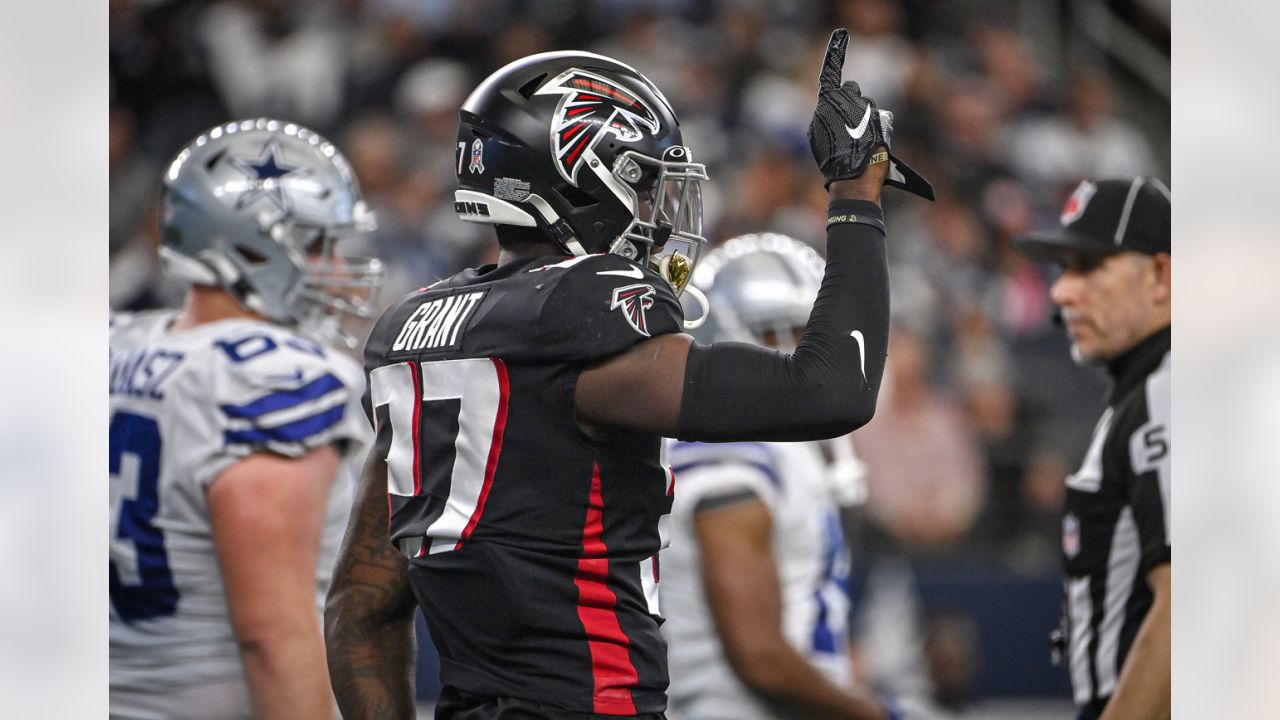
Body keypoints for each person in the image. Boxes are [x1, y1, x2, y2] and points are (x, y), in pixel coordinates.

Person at [325, 29, 931, 719]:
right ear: (581, 178)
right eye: (644, 185)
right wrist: (856, 196)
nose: (655, 213)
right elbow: (832, 390)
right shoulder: (583, 306)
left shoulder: (416, 331)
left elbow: (361, 607)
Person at [109, 118, 383, 719]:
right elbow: (271, 633)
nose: (339, 269)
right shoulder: (279, 377)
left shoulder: (112, 346)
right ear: (255, 248)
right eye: (320, 246)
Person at [660, 233, 889, 720]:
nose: (800, 358)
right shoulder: (731, 451)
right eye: (777, 335)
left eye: (811, 337)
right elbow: (759, 656)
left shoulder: (786, 450)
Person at [1012, 176, 1171, 720]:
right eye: (1063, 270)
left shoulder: (1168, 390)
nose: (1061, 291)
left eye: (1091, 266)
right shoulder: (1147, 391)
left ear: (1161, 274)